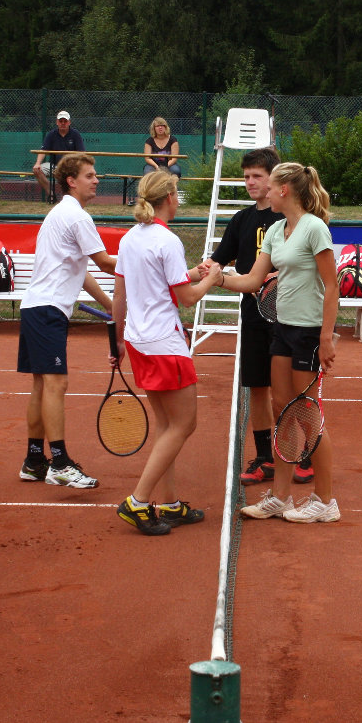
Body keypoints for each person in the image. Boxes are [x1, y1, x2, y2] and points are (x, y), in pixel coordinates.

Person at [216, 162, 341, 524]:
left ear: (284, 190)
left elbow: (331, 287)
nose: (264, 191)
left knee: (306, 411)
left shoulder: (315, 228)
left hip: (309, 331)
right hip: (282, 328)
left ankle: (326, 500)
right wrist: (218, 278)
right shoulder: (274, 230)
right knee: (281, 406)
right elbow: (253, 279)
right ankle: (281, 497)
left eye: (270, 186)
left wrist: (325, 337)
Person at [113, 170, 221, 535]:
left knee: (166, 425)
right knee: (184, 424)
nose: (179, 198)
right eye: (177, 192)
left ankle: (170, 503)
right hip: (164, 344)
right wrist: (213, 276)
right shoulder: (167, 240)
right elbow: (186, 298)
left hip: (138, 340)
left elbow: (126, 293)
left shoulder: (131, 238)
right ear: (169, 197)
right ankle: (138, 501)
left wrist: (194, 271)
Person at [205, 147, 314, 488]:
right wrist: (192, 275)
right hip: (254, 317)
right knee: (258, 388)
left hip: (291, 320)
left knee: (295, 391)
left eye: (257, 176)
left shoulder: (295, 221)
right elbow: (218, 262)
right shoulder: (241, 219)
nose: (250, 182)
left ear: (275, 179)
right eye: (246, 176)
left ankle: (305, 456)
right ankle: (265, 457)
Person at [17, 154, 115, 488]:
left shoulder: (59, 214)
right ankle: (58, 462)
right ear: (71, 181)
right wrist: (147, 259)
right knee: (56, 384)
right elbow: (103, 263)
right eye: (90, 175)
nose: (97, 179)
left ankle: (33, 460)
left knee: (42, 385)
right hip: (48, 310)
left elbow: (82, 270)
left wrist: (111, 304)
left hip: (35, 308)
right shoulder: (76, 216)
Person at [33, 111, 85, 197]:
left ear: (69, 122)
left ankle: (70, 198)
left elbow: (82, 153)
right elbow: (43, 150)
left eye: (65, 121)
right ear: (57, 122)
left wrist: (77, 166)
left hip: (70, 167)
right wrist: (38, 163)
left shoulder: (75, 134)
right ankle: (52, 195)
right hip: (53, 166)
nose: (63, 123)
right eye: (61, 121)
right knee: (37, 170)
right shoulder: (51, 134)